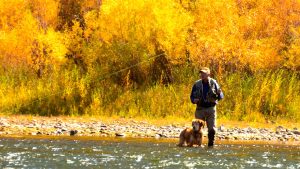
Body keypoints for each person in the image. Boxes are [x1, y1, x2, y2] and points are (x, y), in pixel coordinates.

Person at [190, 67, 224, 147]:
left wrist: (219, 94)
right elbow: (191, 96)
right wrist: (193, 100)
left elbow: (221, 96)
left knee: (212, 129)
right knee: (196, 129)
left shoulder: (214, 83)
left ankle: (210, 145)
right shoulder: (196, 84)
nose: (202, 75)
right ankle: (197, 145)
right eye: (201, 73)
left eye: (204, 73)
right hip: (200, 109)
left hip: (211, 109)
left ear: (208, 74)